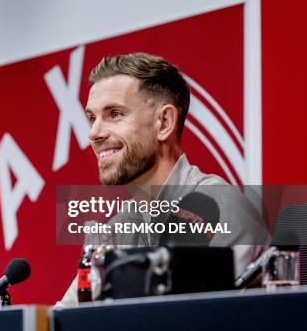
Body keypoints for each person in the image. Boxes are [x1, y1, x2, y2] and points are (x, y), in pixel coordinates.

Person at [57, 53, 268, 307]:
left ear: (164, 122)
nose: (93, 133)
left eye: (114, 114)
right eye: (92, 118)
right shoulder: (119, 228)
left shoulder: (221, 209)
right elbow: (64, 320)